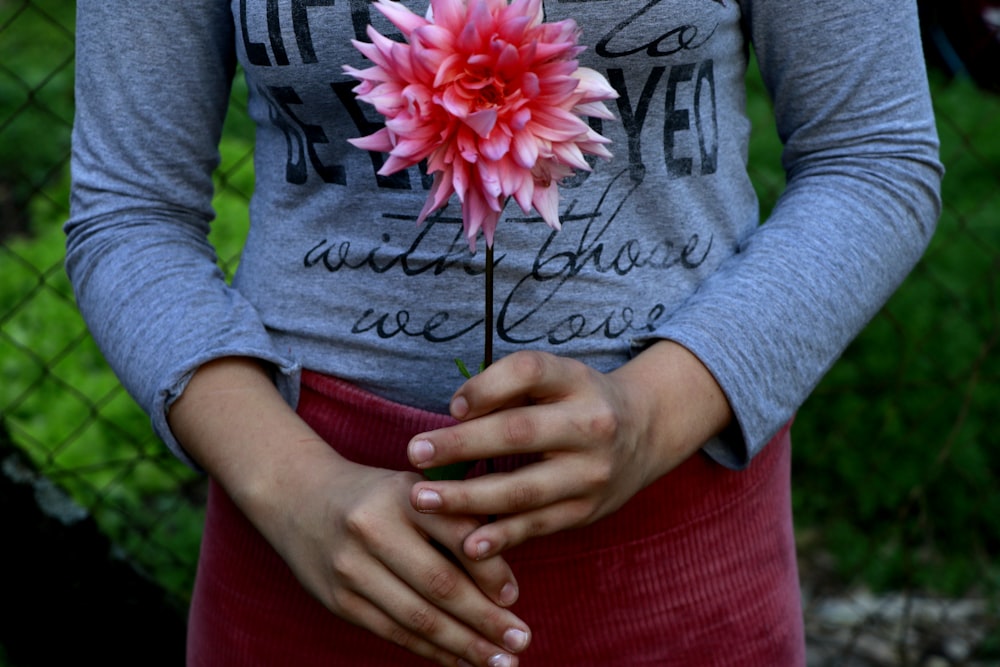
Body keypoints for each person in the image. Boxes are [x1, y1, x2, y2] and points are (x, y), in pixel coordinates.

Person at [66, 0, 942, 665]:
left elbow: (874, 154)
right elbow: (126, 212)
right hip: (306, 556)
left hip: (678, 540)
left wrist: (650, 414)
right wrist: (295, 489)